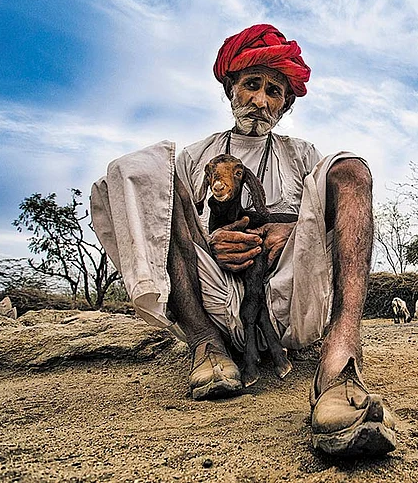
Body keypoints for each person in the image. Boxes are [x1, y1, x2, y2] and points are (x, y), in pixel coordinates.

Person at [90, 23, 397, 456]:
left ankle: (341, 359)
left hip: (290, 295)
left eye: (275, 92)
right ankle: (206, 346)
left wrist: (289, 229)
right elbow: (171, 230)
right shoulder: (196, 156)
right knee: (141, 169)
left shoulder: (302, 155)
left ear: (286, 105)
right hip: (209, 292)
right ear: (230, 87)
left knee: (351, 170)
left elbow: (316, 223)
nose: (260, 100)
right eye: (252, 84)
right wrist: (212, 240)